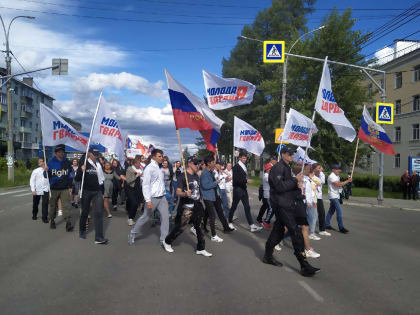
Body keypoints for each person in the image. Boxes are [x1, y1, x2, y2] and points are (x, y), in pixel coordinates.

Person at [263, 145, 320, 277]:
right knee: (296, 232)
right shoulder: (277, 167)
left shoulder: (287, 167)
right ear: (282, 154)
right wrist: (295, 180)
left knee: (277, 231)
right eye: (289, 154)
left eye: (292, 154)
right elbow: (279, 187)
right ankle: (304, 265)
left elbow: (289, 186)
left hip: (287, 203)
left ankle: (267, 256)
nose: (291, 156)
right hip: (281, 205)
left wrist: (299, 191)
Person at [164, 156, 212, 257]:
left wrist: (201, 198)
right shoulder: (182, 176)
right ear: (189, 164)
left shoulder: (196, 176)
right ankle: (167, 241)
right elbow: (178, 192)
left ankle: (201, 248)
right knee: (181, 227)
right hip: (187, 206)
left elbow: (198, 190)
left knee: (199, 227)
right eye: (195, 163)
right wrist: (185, 194)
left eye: (198, 163)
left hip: (197, 205)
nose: (197, 165)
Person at [128, 149, 170, 247]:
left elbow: (159, 183)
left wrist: (164, 194)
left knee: (165, 218)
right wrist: (148, 200)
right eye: (159, 156)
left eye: (162, 156)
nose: (162, 158)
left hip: (162, 197)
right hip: (152, 198)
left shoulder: (159, 168)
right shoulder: (149, 168)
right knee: (145, 217)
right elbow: (145, 185)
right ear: (154, 156)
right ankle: (133, 233)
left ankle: (163, 240)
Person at [76, 148, 108, 244]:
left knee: (98, 213)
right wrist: (81, 170)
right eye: (94, 154)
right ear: (89, 154)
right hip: (86, 191)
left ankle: (99, 237)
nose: (96, 156)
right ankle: (82, 230)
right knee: (85, 212)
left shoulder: (98, 164)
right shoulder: (84, 162)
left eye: (97, 154)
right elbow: (77, 178)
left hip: (97, 191)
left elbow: (101, 180)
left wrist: (102, 192)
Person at [201, 155, 234, 242]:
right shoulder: (204, 173)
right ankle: (213, 235)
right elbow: (205, 186)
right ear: (208, 164)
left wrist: (218, 182)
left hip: (215, 195)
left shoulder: (211, 172)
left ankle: (226, 228)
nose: (215, 164)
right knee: (212, 215)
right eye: (213, 162)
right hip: (208, 197)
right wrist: (216, 182)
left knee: (218, 212)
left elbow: (215, 182)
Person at [228, 152, 262, 232]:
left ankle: (252, 225)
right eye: (243, 158)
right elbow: (236, 180)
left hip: (243, 189)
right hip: (238, 189)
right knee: (234, 206)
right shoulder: (236, 166)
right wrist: (246, 180)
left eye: (245, 158)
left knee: (247, 207)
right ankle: (229, 222)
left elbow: (243, 176)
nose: (244, 159)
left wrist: (246, 180)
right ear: (239, 158)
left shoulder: (243, 166)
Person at [44, 144, 73, 231]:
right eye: (59, 152)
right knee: (53, 206)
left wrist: (70, 186)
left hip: (64, 188)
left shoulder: (67, 162)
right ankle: (52, 220)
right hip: (54, 188)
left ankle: (68, 223)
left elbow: (70, 175)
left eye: (62, 152)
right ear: (55, 153)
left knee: (66, 205)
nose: (61, 154)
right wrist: (45, 171)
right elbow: (46, 176)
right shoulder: (50, 163)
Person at [325, 164, 352, 234]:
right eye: (337, 169)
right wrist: (348, 181)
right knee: (339, 210)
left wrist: (347, 180)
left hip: (336, 195)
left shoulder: (337, 176)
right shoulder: (331, 176)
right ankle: (341, 227)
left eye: (339, 169)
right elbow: (338, 184)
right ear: (333, 169)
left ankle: (326, 224)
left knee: (331, 210)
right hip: (333, 196)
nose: (339, 170)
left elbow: (339, 184)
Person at [312, 164, 331, 237]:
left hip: (319, 197)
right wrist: (319, 173)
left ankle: (322, 230)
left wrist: (320, 172)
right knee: (312, 215)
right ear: (314, 169)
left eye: (321, 168)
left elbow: (322, 181)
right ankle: (310, 232)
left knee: (322, 213)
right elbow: (320, 181)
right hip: (313, 197)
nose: (321, 169)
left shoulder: (320, 174)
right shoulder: (312, 176)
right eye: (319, 168)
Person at [125, 156, 144, 226]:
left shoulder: (140, 169)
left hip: (138, 188)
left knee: (136, 203)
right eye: (138, 163)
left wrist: (141, 180)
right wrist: (136, 176)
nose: (140, 164)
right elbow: (128, 181)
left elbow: (141, 178)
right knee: (134, 203)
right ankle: (130, 218)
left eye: (140, 163)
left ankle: (131, 215)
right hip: (130, 188)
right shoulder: (129, 169)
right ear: (134, 163)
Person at [30, 157, 50, 222]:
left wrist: (47, 171)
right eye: (40, 162)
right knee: (35, 203)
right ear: (38, 164)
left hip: (46, 189)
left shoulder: (48, 170)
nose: (41, 163)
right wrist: (33, 190)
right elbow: (32, 181)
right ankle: (34, 214)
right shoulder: (35, 171)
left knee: (45, 203)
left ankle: (44, 217)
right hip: (37, 189)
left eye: (42, 161)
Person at [256, 163, 274, 229]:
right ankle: (266, 221)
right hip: (267, 195)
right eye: (271, 168)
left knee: (265, 207)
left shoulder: (268, 175)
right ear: (267, 169)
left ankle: (260, 218)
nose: (272, 170)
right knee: (271, 208)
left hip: (268, 194)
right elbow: (273, 182)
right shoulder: (266, 176)